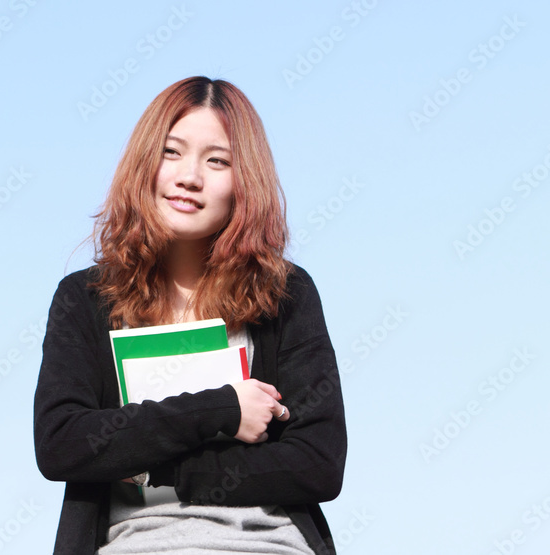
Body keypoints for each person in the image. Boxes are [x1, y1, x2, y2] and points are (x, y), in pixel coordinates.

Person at [33, 76, 347, 555]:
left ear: (245, 180)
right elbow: (63, 445)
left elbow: (318, 463)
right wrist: (221, 409)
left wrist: (158, 467)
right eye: (171, 152)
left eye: (217, 160)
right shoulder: (86, 298)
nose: (190, 177)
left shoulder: (285, 294)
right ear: (145, 162)